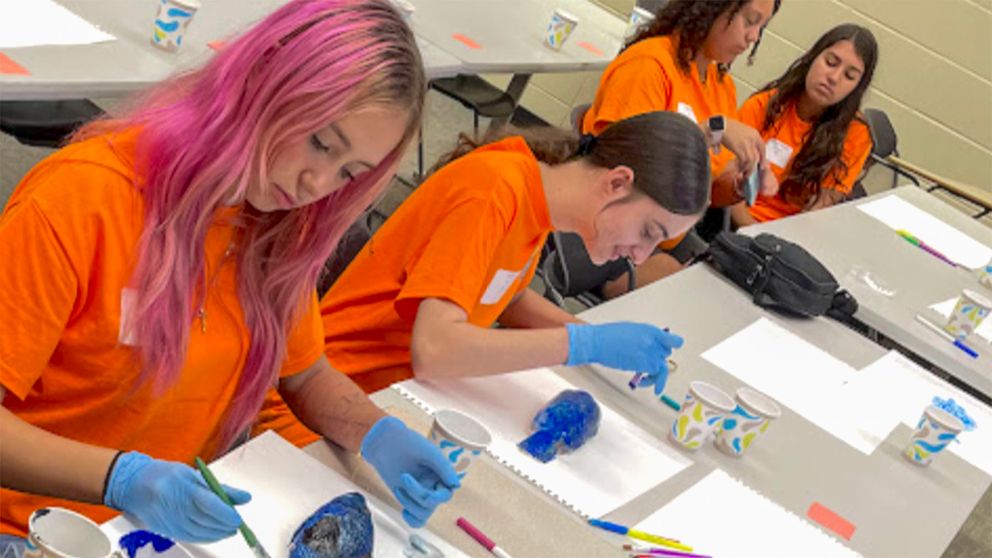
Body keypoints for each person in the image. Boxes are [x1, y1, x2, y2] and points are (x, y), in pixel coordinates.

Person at [0, 0, 458, 549]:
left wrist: (377, 432)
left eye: (349, 173)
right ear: (262, 83)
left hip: (155, 531)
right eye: (320, 143)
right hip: (35, 527)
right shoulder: (81, 201)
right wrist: (120, 478)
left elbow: (305, 375)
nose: (318, 183)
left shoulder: (277, 225)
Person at [317, 110, 708, 397]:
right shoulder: (495, 191)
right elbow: (434, 350)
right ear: (618, 182)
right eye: (647, 232)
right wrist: (583, 346)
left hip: (395, 396)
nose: (641, 257)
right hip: (329, 398)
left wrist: (597, 338)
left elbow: (505, 296)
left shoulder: (540, 198)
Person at [581, 0, 781, 298]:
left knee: (738, 284)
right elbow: (621, 167)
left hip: (668, 234)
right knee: (695, 293)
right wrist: (711, 130)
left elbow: (711, 191)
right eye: (749, 21)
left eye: (761, 28)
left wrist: (739, 184)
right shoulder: (649, 65)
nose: (753, 36)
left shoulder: (720, 84)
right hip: (612, 235)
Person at [726, 24, 878, 226]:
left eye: (849, 76)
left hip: (789, 235)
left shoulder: (856, 134)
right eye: (831, 62)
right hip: (735, 221)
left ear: (857, 87)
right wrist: (752, 234)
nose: (833, 78)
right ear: (812, 57)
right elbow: (724, 181)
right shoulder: (764, 105)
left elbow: (818, 210)